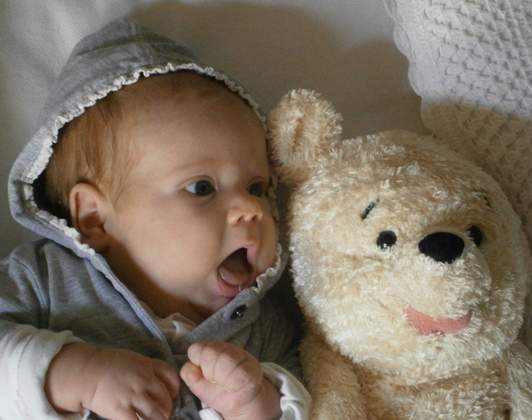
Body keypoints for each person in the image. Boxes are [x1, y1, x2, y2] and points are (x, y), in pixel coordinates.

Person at [0, 18, 309, 419]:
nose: (252, 209)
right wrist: (70, 373)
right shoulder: (43, 279)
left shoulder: (263, 325)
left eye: (257, 187)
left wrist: (257, 403)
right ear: (94, 218)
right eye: (202, 187)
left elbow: (315, 400)